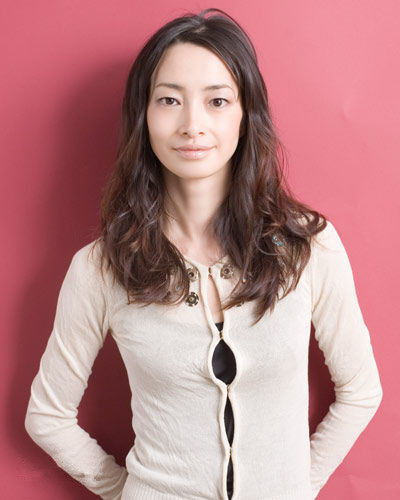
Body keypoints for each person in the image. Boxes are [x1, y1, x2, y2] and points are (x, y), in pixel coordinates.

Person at [24, 7, 383, 500]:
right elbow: (47, 416)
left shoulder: (308, 247)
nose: (192, 124)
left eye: (217, 101)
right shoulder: (100, 267)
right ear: (143, 115)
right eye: (169, 100)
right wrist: (128, 491)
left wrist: (297, 486)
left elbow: (362, 392)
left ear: (245, 115)